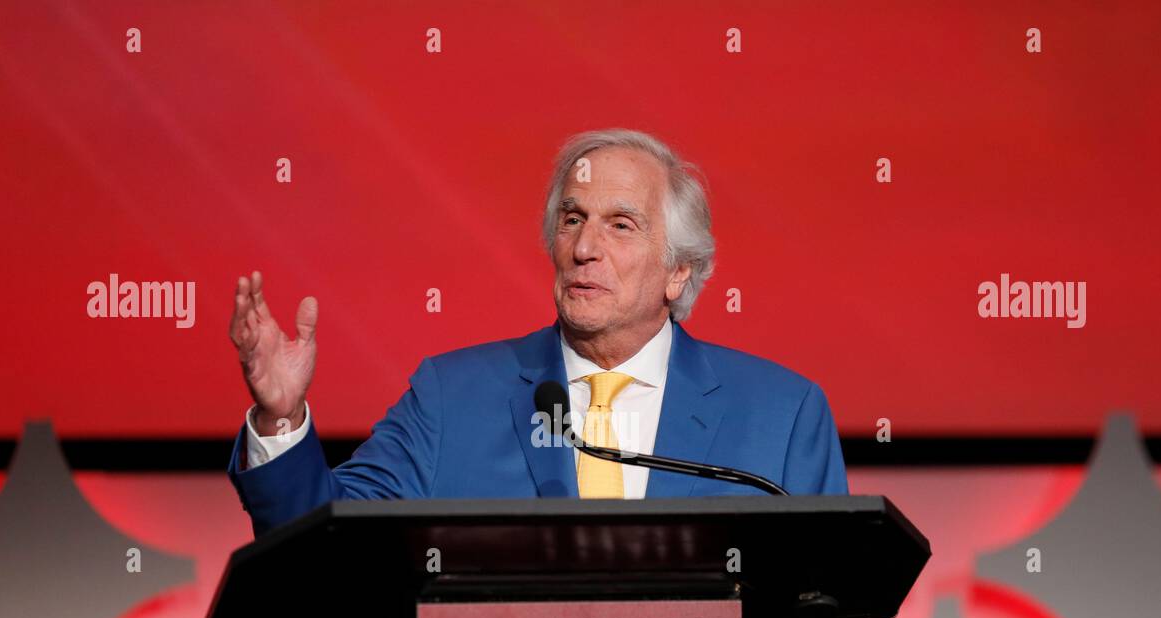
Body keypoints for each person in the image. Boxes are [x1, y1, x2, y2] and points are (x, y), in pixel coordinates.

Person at [226, 128, 846, 539]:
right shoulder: (453, 397)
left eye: (620, 225)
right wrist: (280, 418)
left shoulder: (781, 415)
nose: (583, 248)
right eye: (572, 220)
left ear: (678, 270)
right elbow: (325, 546)